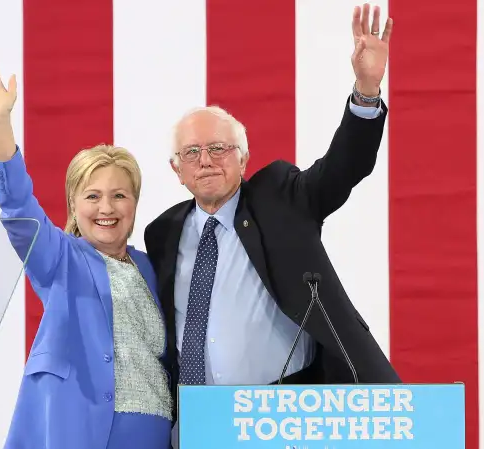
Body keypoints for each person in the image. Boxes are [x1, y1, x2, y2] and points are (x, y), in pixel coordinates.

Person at [143, 3, 400, 436]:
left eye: (219, 149)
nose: (205, 161)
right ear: (177, 169)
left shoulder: (281, 196)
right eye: (191, 153)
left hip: (283, 415)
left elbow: (343, 167)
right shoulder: (162, 233)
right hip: (196, 421)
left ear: (243, 158)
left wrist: (366, 90)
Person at [0, 59, 173, 449]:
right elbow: (18, 206)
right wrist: (0, 124)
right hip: (80, 427)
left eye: (119, 196)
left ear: (135, 203)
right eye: (92, 196)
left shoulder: (153, 265)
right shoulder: (60, 258)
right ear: (73, 204)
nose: (106, 208)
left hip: (154, 431)